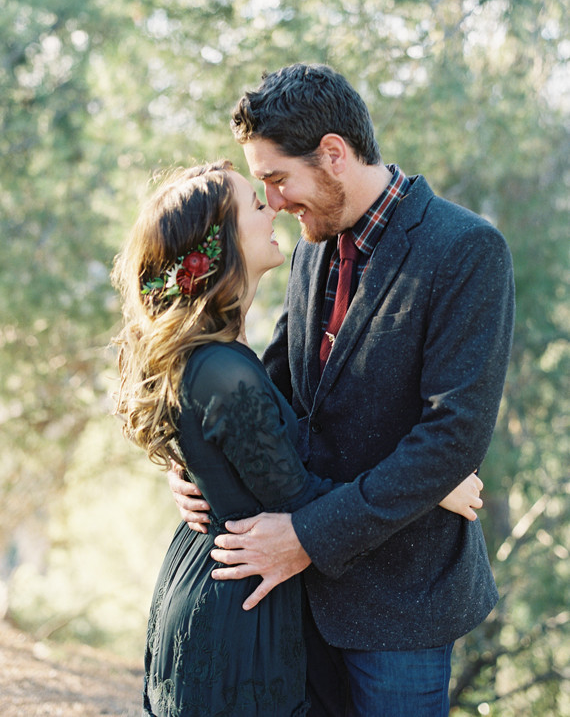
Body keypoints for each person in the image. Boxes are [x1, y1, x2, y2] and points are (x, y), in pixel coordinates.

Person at [167, 64, 516, 716]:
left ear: (333, 155)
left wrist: (306, 536)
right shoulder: (311, 246)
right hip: (296, 609)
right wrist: (191, 465)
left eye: (276, 178)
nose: (269, 200)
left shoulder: (467, 250)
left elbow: (452, 438)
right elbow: (272, 392)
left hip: (399, 611)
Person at [112, 160, 485, 717]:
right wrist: (431, 491)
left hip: (237, 581)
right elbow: (295, 497)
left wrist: (196, 464)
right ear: (220, 248)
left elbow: (249, 418)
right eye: (256, 205)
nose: (273, 206)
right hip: (240, 602)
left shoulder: (219, 358)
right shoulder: (220, 368)